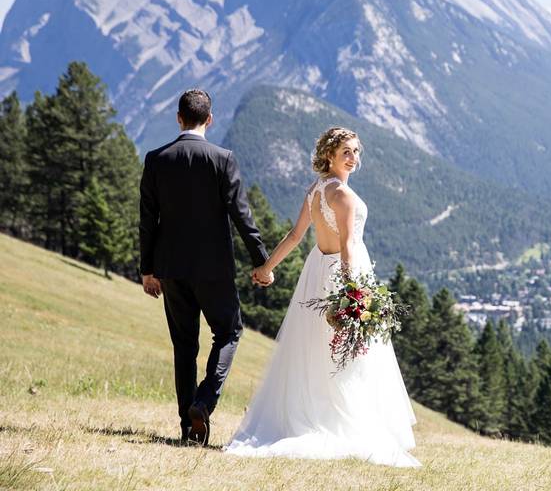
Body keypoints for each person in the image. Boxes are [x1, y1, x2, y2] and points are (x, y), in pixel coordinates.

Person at [224, 126, 420, 467]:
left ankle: (317, 413)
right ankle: (340, 422)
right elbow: (346, 247)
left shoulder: (315, 189)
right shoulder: (341, 194)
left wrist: (267, 267)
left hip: (316, 271)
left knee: (318, 351)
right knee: (347, 354)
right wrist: (352, 294)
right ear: (329, 154)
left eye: (357, 151)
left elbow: (296, 235)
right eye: (347, 151)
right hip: (341, 275)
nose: (354, 157)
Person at [139, 88, 273, 446]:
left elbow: (147, 220)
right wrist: (263, 261)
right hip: (214, 269)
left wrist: (147, 269)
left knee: (184, 346)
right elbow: (242, 217)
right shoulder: (222, 158)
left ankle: (187, 428)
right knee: (228, 332)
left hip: (170, 267)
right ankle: (203, 402)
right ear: (209, 120)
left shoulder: (156, 159)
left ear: (179, 118)